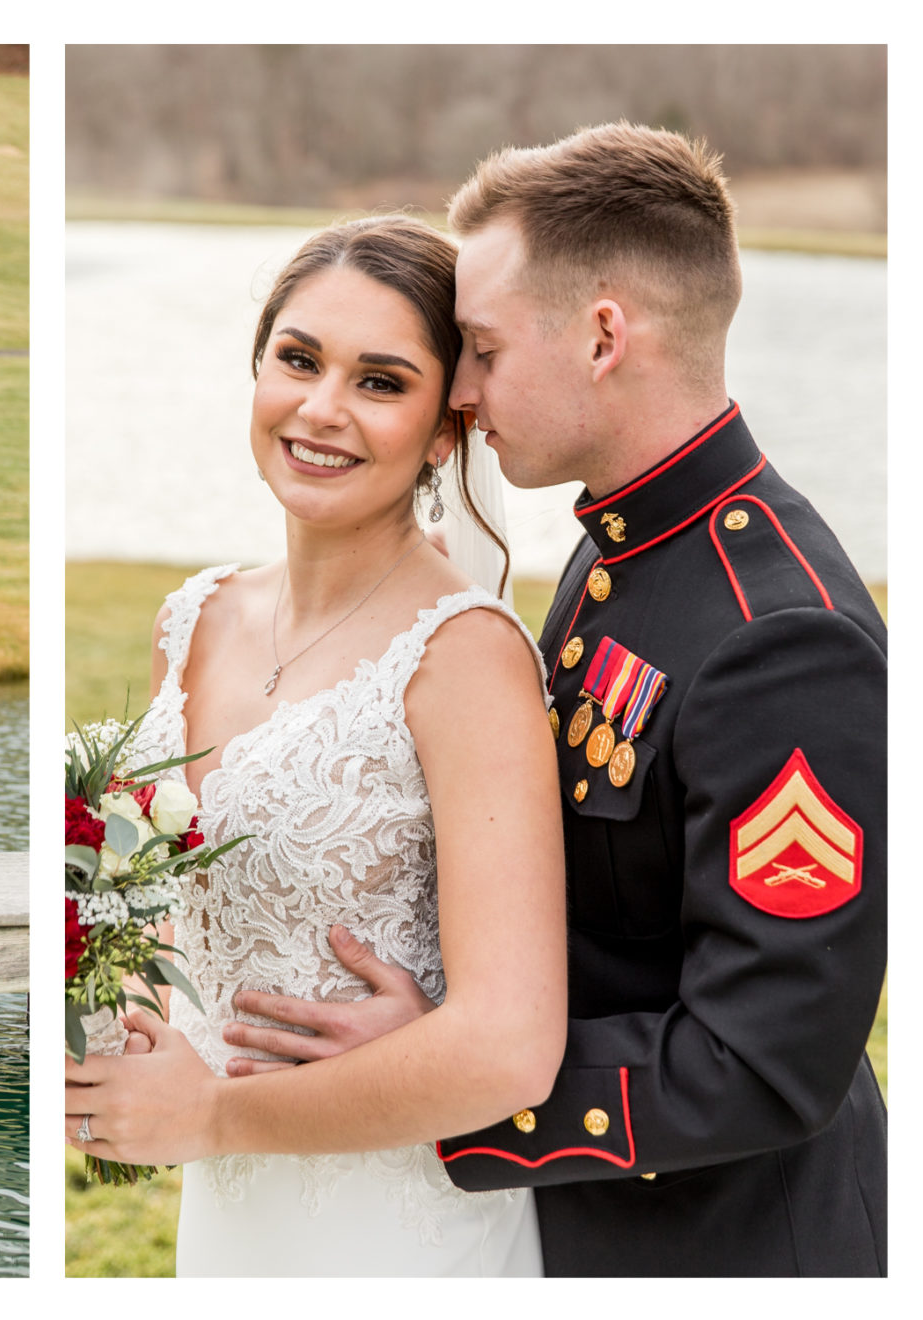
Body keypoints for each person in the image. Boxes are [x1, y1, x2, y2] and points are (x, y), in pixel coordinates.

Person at [109, 124, 890, 1277]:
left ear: (602, 333)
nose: (464, 394)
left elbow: (766, 1063)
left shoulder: (780, 634)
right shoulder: (618, 549)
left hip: (719, 1253)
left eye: (476, 349)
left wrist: (453, 1081)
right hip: (551, 1221)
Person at [65, 215, 569, 1276]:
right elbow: (157, 912)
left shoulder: (463, 656)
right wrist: (113, 1031)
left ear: (444, 428)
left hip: (394, 1224)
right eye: (297, 360)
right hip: (230, 1217)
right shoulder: (189, 620)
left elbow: (510, 1049)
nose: (320, 409)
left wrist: (208, 1119)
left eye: (380, 382)